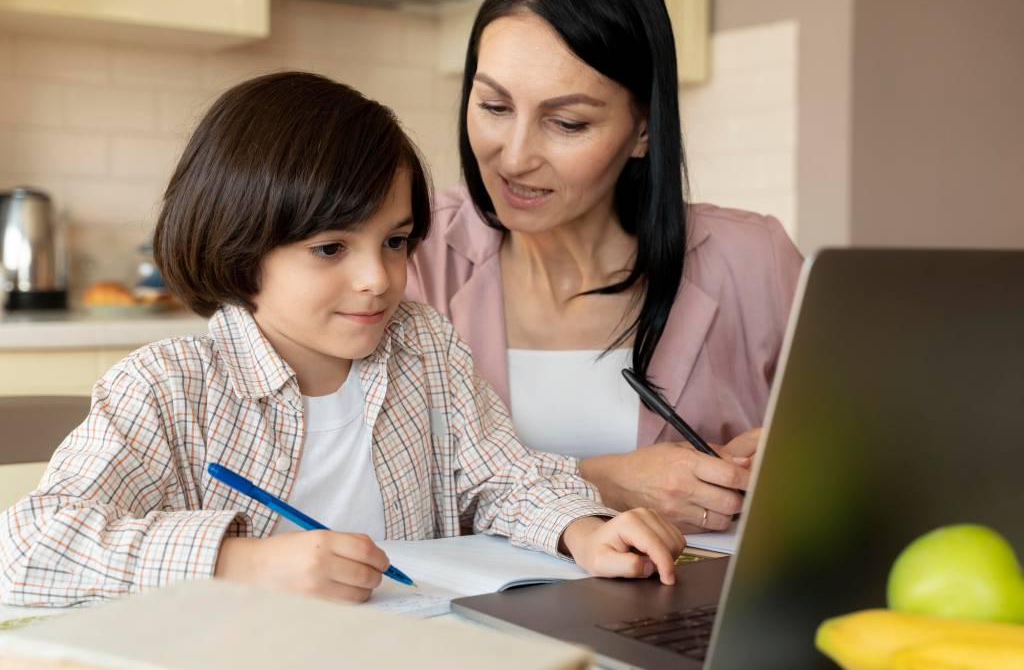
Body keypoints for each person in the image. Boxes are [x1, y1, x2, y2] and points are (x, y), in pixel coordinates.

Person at [0, 72, 684, 608]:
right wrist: (241, 563)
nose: (377, 280)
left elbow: (503, 478)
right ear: (241, 252)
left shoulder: (424, 348)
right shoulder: (168, 387)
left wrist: (584, 530)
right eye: (330, 248)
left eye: (394, 242)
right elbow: (27, 548)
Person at [407, 0, 803, 534]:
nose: (516, 157)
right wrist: (600, 481)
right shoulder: (408, 252)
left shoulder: (754, 259)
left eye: (567, 123)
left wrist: (790, 461)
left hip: (687, 609)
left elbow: (880, 450)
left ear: (643, 130)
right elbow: (380, 490)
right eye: (494, 107)